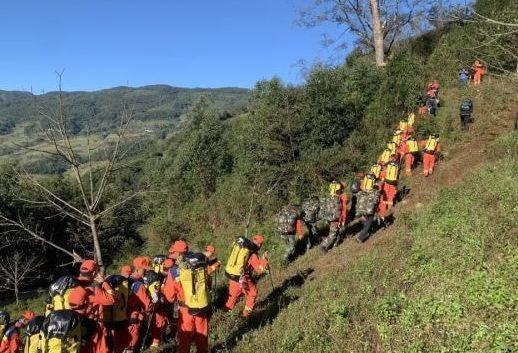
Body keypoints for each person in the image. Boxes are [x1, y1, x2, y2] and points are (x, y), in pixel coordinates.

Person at [68, 260, 116, 353]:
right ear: (94, 273)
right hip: (92, 327)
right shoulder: (94, 290)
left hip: (73, 327)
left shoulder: (71, 286)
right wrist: (103, 283)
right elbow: (111, 299)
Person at [224, 235, 269, 317]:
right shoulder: (253, 255)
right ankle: (246, 314)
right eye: (261, 244)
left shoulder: (243, 249)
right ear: (259, 245)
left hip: (234, 276)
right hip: (244, 278)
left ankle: (225, 315)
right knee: (252, 293)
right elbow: (259, 270)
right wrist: (264, 259)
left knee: (232, 297)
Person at [320, 181, 347, 251]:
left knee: (337, 231)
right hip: (335, 219)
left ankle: (335, 245)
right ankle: (324, 245)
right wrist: (343, 220)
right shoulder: (341, 198)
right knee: (333, 233)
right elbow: (342, 210)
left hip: (330, 217)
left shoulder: (331, 196)